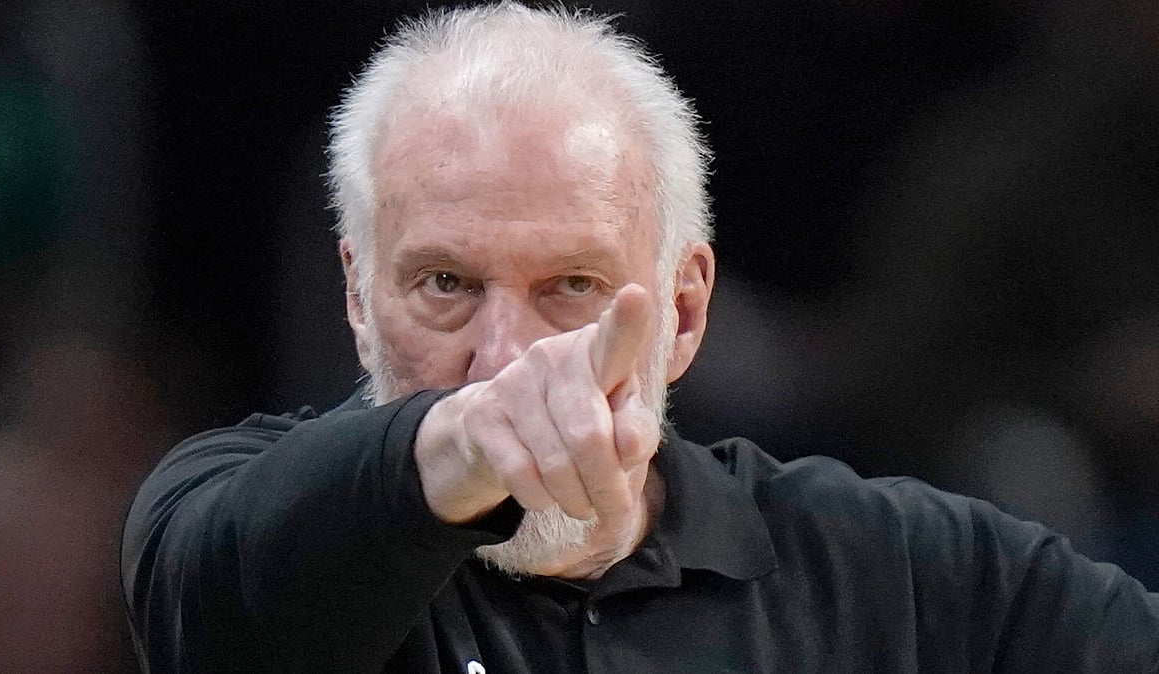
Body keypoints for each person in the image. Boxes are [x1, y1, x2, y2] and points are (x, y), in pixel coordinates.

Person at [121, 3, 1159, 672]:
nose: (505, 358)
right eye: (445, 283)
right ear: (357, 294)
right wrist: (456, 453)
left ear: (685, 309)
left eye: (570, 285)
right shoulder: (215, 517)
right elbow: (220, 608)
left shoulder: (907, 577)